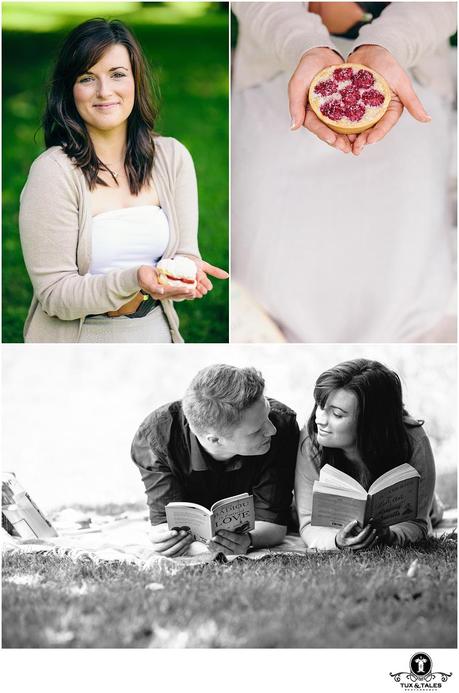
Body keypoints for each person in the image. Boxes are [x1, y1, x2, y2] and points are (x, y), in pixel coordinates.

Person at [232, 2, 456, 343]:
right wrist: (303, 45)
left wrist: (390, 45)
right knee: (272, 276)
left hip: (412, 73)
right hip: (275, 71)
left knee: (402, 278)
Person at [19, 18, 228, 343]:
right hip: (76, 344)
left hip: (156, 335)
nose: (105, 92)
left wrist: (185, 274)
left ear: (135, 80)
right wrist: (135, 280)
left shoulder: (172, 157)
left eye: (117, 74)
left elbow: (185, 253)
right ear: (69, 89)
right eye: (87, 78)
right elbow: (55, 294)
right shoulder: (54, 172)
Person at [131, 364, 299, 557]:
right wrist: (165, 538)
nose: (272, 430)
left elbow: (274, 526)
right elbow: (164, 524)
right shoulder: (156, 437)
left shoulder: (282, 424)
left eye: (267, 415)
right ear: (215, 439)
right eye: (257, 430)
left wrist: (249, 540)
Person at [295, 358, 439, 551]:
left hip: (407, 512)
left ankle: (436, 503)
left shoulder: (412, 440)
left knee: (434, 514)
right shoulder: (311, 439)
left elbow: (418, 523)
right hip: (334, 525)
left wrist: (390, 536)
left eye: (337, 414)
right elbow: (307, 521)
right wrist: (337, 542)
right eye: (321, 406)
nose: (319, 420)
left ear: (370, 422)